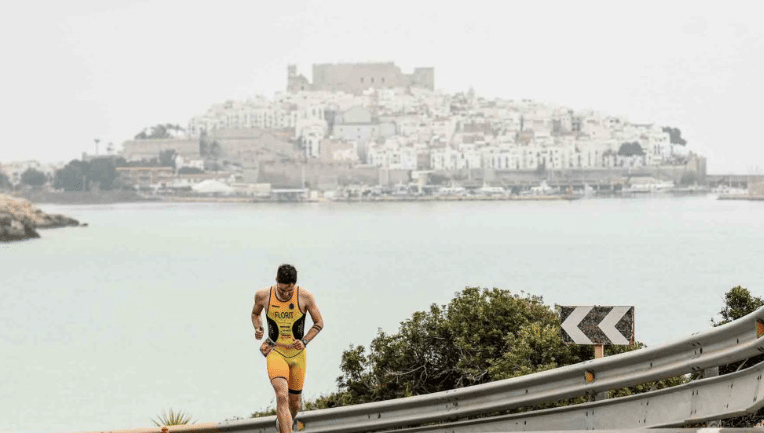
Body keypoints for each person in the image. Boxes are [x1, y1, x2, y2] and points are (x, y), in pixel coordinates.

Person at [252, 264, 324, 433]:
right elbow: (255, 314)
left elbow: (319, 323)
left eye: (289, 291)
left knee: (295, 403)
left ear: (295, 285)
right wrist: (258, 328)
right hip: (275, 351)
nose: (286, 294)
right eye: (282, 290)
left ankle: (283, 424)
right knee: (281, 395)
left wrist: (305, 341)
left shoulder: (305, 296)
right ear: (276, 281)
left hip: (298, 355)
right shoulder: (263, 295)